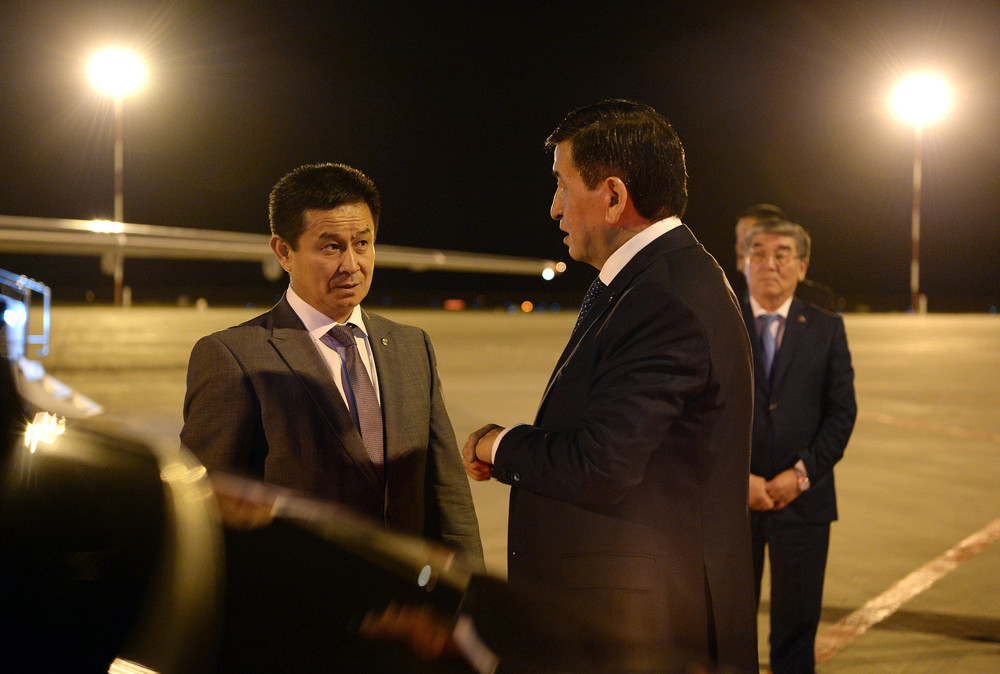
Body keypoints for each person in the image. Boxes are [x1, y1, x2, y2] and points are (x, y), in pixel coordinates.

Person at [462, 99, 758, 672]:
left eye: (562, 185)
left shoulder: (662, 298)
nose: (554, 208)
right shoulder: (660, 280)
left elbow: (600, 464)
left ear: (615, 197)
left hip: (648, 631)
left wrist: (498, 444)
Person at [181, 162, 484, 568]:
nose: (351, 265)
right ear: (284, 252)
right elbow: (203, 513)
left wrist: (470, 592)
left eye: (362, 243)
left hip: (406, 598)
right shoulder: (232, 356)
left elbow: (448, 497)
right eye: (331, 247)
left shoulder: (412, 347)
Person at [740, 217, 856, 673]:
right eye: (759, 253)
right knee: (727, 631)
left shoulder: (826, 328)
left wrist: (801, 475)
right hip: (733, 504)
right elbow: (697, 415)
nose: (769, 264)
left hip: (804, 505)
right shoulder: (719, 322)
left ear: (802, 266)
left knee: (796, 632)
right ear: (744, 261)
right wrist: (737, 480)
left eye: (782, 254)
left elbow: (841, 414)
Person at [730, 204, 839, 311]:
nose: (739, 247)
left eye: (748, 238)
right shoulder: (730, 297)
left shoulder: (815, 302)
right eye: (738, 239)